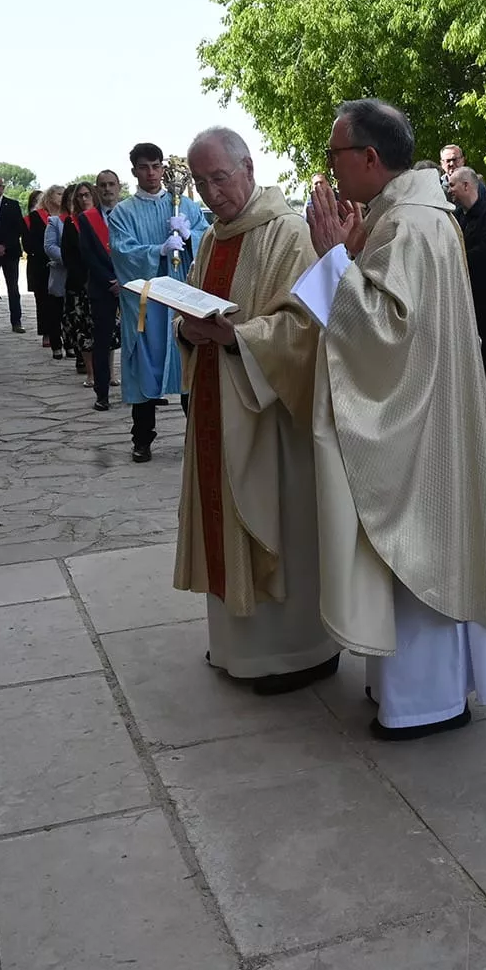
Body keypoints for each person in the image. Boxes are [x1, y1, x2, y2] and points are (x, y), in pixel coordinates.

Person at [271, 98, 486, 740]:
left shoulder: (409, 224)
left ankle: (426, 702)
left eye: (333, 154)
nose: (327, 167)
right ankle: (413, 692)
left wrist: (333, 259)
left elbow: (386, 330)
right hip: (429, 409)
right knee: (422, 542)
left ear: (368, 158)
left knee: (420, 544)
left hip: (418, 422)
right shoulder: (408, 214)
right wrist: (345, 258)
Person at [172, 127, 340, 692]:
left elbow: (306, 326)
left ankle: (295, 652)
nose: (211, 193)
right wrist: (188, 330)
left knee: (278, 522)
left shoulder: (288, 232)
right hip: (219, 406)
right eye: (200, 182)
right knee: (223, 525)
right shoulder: (212, 239)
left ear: (248, 167)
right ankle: (235, 647)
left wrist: (234, 338)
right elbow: (195, 303)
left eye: (219, 178)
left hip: (271, 418)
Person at [109, 142, 207, 462]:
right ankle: (142, 439)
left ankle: (196, 437)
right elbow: (123, 252)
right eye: (144, 167)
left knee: (188, 365)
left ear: (164, 168)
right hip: (147, 301)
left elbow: (209, 240)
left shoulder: (185, 208)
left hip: (181, 296)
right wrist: (158, 251)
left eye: (156, 166)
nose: (151, 173)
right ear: (134, 171)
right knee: (144, 366)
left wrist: (190, 236)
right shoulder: (124, 213)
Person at [449, 167, 486, 398]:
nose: (449, 189)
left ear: (466, 185)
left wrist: (457, 257)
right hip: (463, 289)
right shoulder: (457, 216)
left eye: (453, 185)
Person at [60, 182, 120, 400]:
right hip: (85, 284)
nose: (84, 199)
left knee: (112, 333)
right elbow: (72, 256)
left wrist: (118, 278)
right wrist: (89, 278)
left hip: (115, 283)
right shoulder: (74, 223)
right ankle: (93, 375)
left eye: (87, 195)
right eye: (79, 196)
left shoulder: (116, 215)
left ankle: (111, 372)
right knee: (88, 333)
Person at [27, 184, 67, 359]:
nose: (62, 196)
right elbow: (29, 243)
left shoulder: (68, 217)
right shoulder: (35, 217)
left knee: (63, 303)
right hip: (41, 266)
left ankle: (67, 337)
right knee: (45, 303)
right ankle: (49, 334)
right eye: (59, 194)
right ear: (49, 197)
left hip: (62, 267)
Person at [0, 175, 26, 333]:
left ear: (3, 187)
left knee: (13, 288)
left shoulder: (13, 205)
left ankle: (16, 322)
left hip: (10, 252)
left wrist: (4, 246)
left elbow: (18, 229)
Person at [43, 187, 73, 362]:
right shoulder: (55, 221)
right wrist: (69, 260)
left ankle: (70, 344)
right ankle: (56, 344)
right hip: (61, 273)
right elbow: (49, 247)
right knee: (56, 311)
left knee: (72, 312)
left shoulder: (83, 220)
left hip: (79, 276)